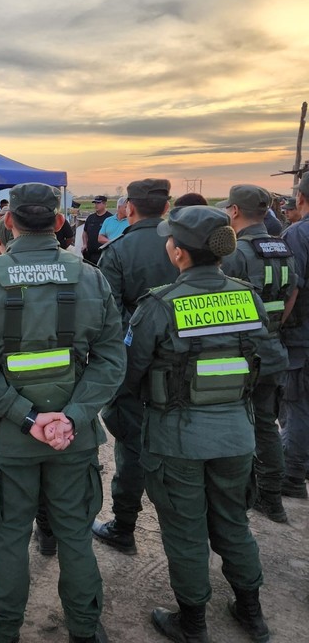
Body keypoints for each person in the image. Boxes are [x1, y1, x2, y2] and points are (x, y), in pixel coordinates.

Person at [0, 182, 126, 643]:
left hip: (10, 437)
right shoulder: (90, 277)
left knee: (9, 536)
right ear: (57, 223)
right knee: (74, 534)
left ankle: (3, 632)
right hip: (74, 436)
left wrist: (27, 417)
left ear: (7, 221)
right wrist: (72, 415)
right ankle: (86, 631)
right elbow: (112, 359)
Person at [126, 205, 276, 643]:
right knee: (233, 521)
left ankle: (192, 623)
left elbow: (131, 372)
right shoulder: (245, 296)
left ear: (179, 254)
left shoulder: (159, 304)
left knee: (185, 530)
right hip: (235, 435)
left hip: (177, 440)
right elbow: (267, 361)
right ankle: (252, 613)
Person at [92, 179, 176, 555]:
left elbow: (105, 318)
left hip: (134, 366)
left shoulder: (120, 250)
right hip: (184, 366)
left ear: (130, 207)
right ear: (166, 206)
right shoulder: (185, 246)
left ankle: (124, 526)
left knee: (131, 445)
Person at [219, 185, 297, 523]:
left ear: (234, 211)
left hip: (242, 354)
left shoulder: (237, 252)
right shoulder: (284, 247)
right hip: (274, 348)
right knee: (265, 425)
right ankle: (272, 498)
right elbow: (292, 294)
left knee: (233, 425)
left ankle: (235, 497)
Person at [280, 175, 309, 498]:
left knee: (297, 405)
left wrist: (276, 329)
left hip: (301, 334)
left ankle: (293, 475)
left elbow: (292, 288)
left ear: (300, 198)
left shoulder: (298, 235)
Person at [82, 195, 112, 264]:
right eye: (95, 203)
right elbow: (85, 232)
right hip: (90, 254)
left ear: (104, 204)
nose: (96, 205)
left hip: (103, 254)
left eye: (98, 203)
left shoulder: (110, 218)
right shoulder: (90, 218)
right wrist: (85, 244)